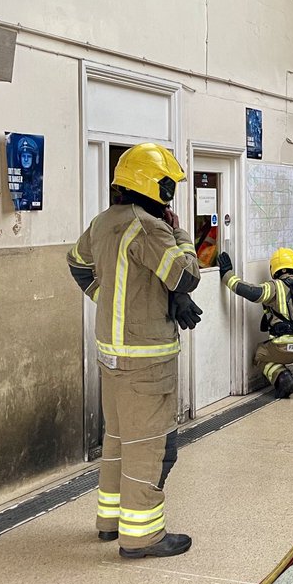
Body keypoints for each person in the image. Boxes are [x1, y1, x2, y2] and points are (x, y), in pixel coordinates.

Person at [66, 142, 202, 559]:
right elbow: (186, 276)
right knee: (153, 447)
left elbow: (76, 261)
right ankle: (143, 536)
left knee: (118, 439)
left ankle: (110, 522)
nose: (170, 193)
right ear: (154, 186)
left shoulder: (105, 221)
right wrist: (180, 232)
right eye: (168, 186)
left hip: (111, 354)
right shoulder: (149, 227)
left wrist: (106, 299)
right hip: (147, 360)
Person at [217, 247, 293, 400]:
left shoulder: (275, 286)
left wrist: (227, 275)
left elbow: (251, 292)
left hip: (284, 346)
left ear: (273, 269)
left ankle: (282, 378)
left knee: (260, 355)